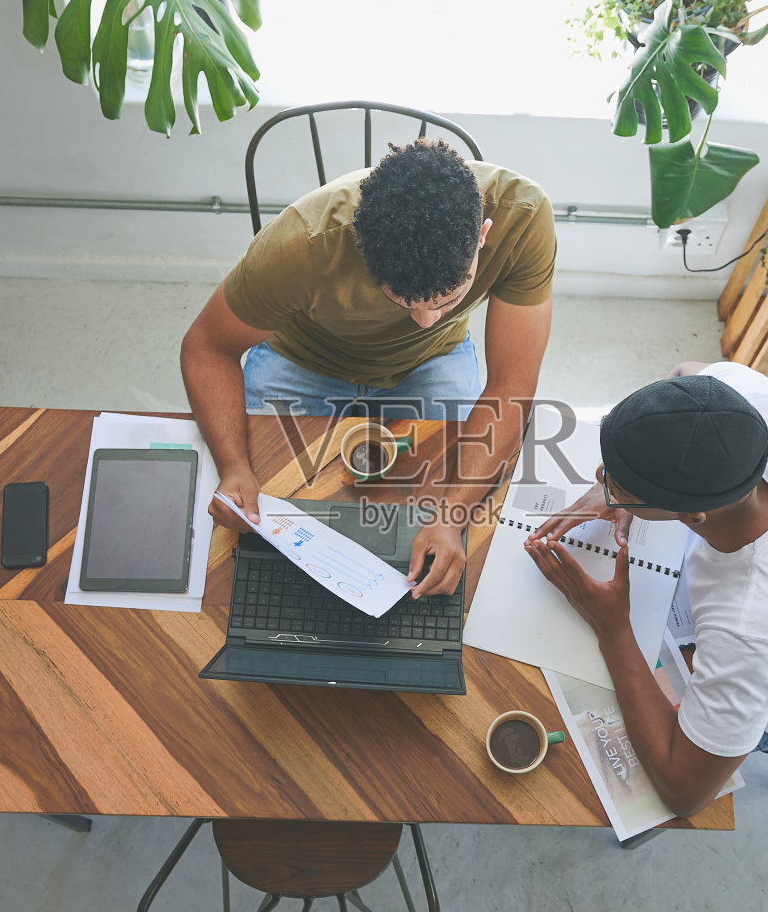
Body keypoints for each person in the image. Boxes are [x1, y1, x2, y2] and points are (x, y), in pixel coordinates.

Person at [181, 139, 555, 598]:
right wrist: (233, 465)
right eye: (401, 300)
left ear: (482, 235)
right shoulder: (304, 243)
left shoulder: (524, 216)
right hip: (302, 359)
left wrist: (451, 516)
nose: (423, 320)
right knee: (258, 526)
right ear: (363, 249)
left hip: (433, 359)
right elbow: (206, 348)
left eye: (449, 300)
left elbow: (511, 384)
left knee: (461, 510)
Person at [523, 362, 768, 819]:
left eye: (613, 483)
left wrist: (613, 628)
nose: (599, 478)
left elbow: (684, 793)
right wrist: (624, 490)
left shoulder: (752, 627)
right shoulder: (738, 398)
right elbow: (683, 374)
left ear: (692, 516)